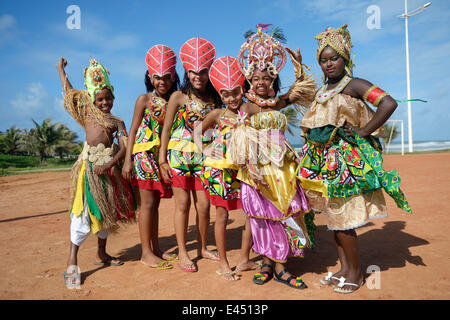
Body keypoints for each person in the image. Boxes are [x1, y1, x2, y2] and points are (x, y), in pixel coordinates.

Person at [296, 24, 412, 294]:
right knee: (334, 220)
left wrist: (363, 131)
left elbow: (388, 103)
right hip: (324, 164)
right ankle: (344, 269)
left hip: (346, 165)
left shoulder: (354, 85)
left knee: (345, 220)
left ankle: (357, 273)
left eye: (333, 58)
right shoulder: (323, 91)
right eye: (323, 60)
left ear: (345, 58)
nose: (328, 64)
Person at [230, 25, 317, 289]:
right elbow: (240, 141)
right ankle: (267, 262)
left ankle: (281, 267)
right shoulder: (245, 105)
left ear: (272, 80)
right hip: (257, 169)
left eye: (266, 78)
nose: (260, 82)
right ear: (249, 80)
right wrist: (249, 167)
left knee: (285, 213)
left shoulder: (278, 103)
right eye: (256, 78)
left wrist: (299, 66)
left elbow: (304, 90)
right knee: (262, 217)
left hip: (283, 168)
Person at [57, 57, 136, 287]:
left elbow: (125, 147)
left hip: (107, 174)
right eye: (100, 99)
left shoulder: (117, 121)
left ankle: (101, 254)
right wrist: (61, 70)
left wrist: (111, 165)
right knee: (82, 215)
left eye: (108, 98)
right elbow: (69, 92)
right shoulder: (87, 114)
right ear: (93, 99)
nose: (105, 102)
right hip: (88, 173)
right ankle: (72, 260)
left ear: (113, 97)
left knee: (105, 215)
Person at [158, 37, 223, 272]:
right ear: (187, 72)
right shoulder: (178, 97)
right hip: (178, 158)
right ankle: (183, 253)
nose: (198, 76)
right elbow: (166, 129)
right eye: (194, 72)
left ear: (209, 73)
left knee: (204, 206)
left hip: (204, 158)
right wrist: (162, 159)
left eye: (203, 72)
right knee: (183, 204)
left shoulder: (215, 98)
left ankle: (203, 247)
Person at [199, 56, 260, 280]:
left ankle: (244, 259)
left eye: (235, 92)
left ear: (242, 89)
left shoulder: (249, 110)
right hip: (220, 171)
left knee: (251, 213)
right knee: (222, 215)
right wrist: (204, 150)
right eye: (225, 94)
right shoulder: (217, 114)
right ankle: (224, 262)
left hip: (244, 170)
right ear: (220, 95)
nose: (231, 98)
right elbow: (198, 132)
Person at [122, 45, 180, 270]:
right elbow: (133, 130)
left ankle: (155, 249)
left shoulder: (174, 101)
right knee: (147, 205)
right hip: (143, 156)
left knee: (154, 204)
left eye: (166, 77)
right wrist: (127, 160)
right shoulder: (143, 99)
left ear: (173, 77)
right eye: (157, 78)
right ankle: (145, 253)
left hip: (159, 157)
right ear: (150, 77)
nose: (162, 82)